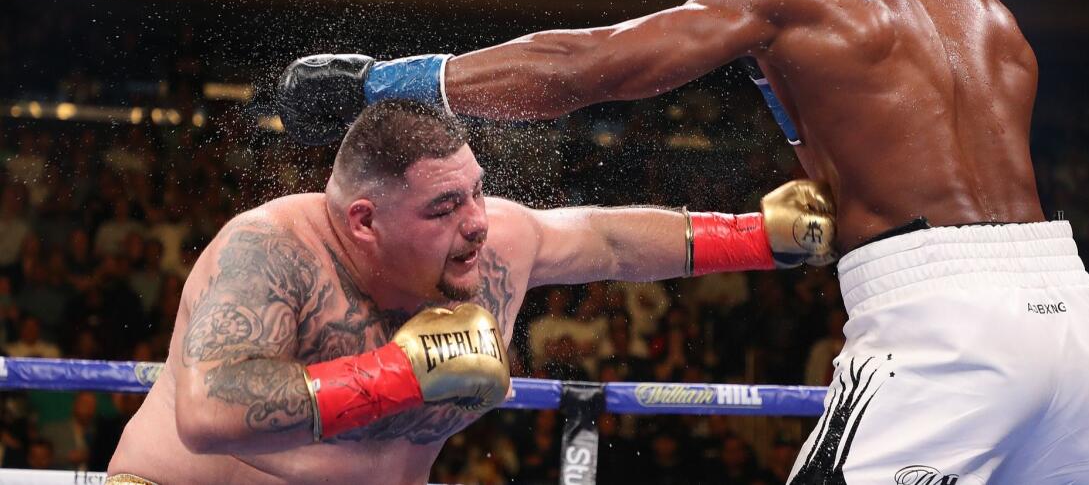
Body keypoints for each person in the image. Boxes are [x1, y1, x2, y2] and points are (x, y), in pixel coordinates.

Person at [277, 0, 1089, 481]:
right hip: (1071, 315)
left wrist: (384, 83)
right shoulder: (977, 1)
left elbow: (590, 65)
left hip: (945, 320)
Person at [106, 99, 831, 485]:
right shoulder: (271, 251)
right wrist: (397, 372)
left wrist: (759, 236)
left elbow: (608, 238)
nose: (479, 222)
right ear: (365, 221)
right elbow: (208, 411)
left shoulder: (496, 248)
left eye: (477, 190)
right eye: (445, 206)